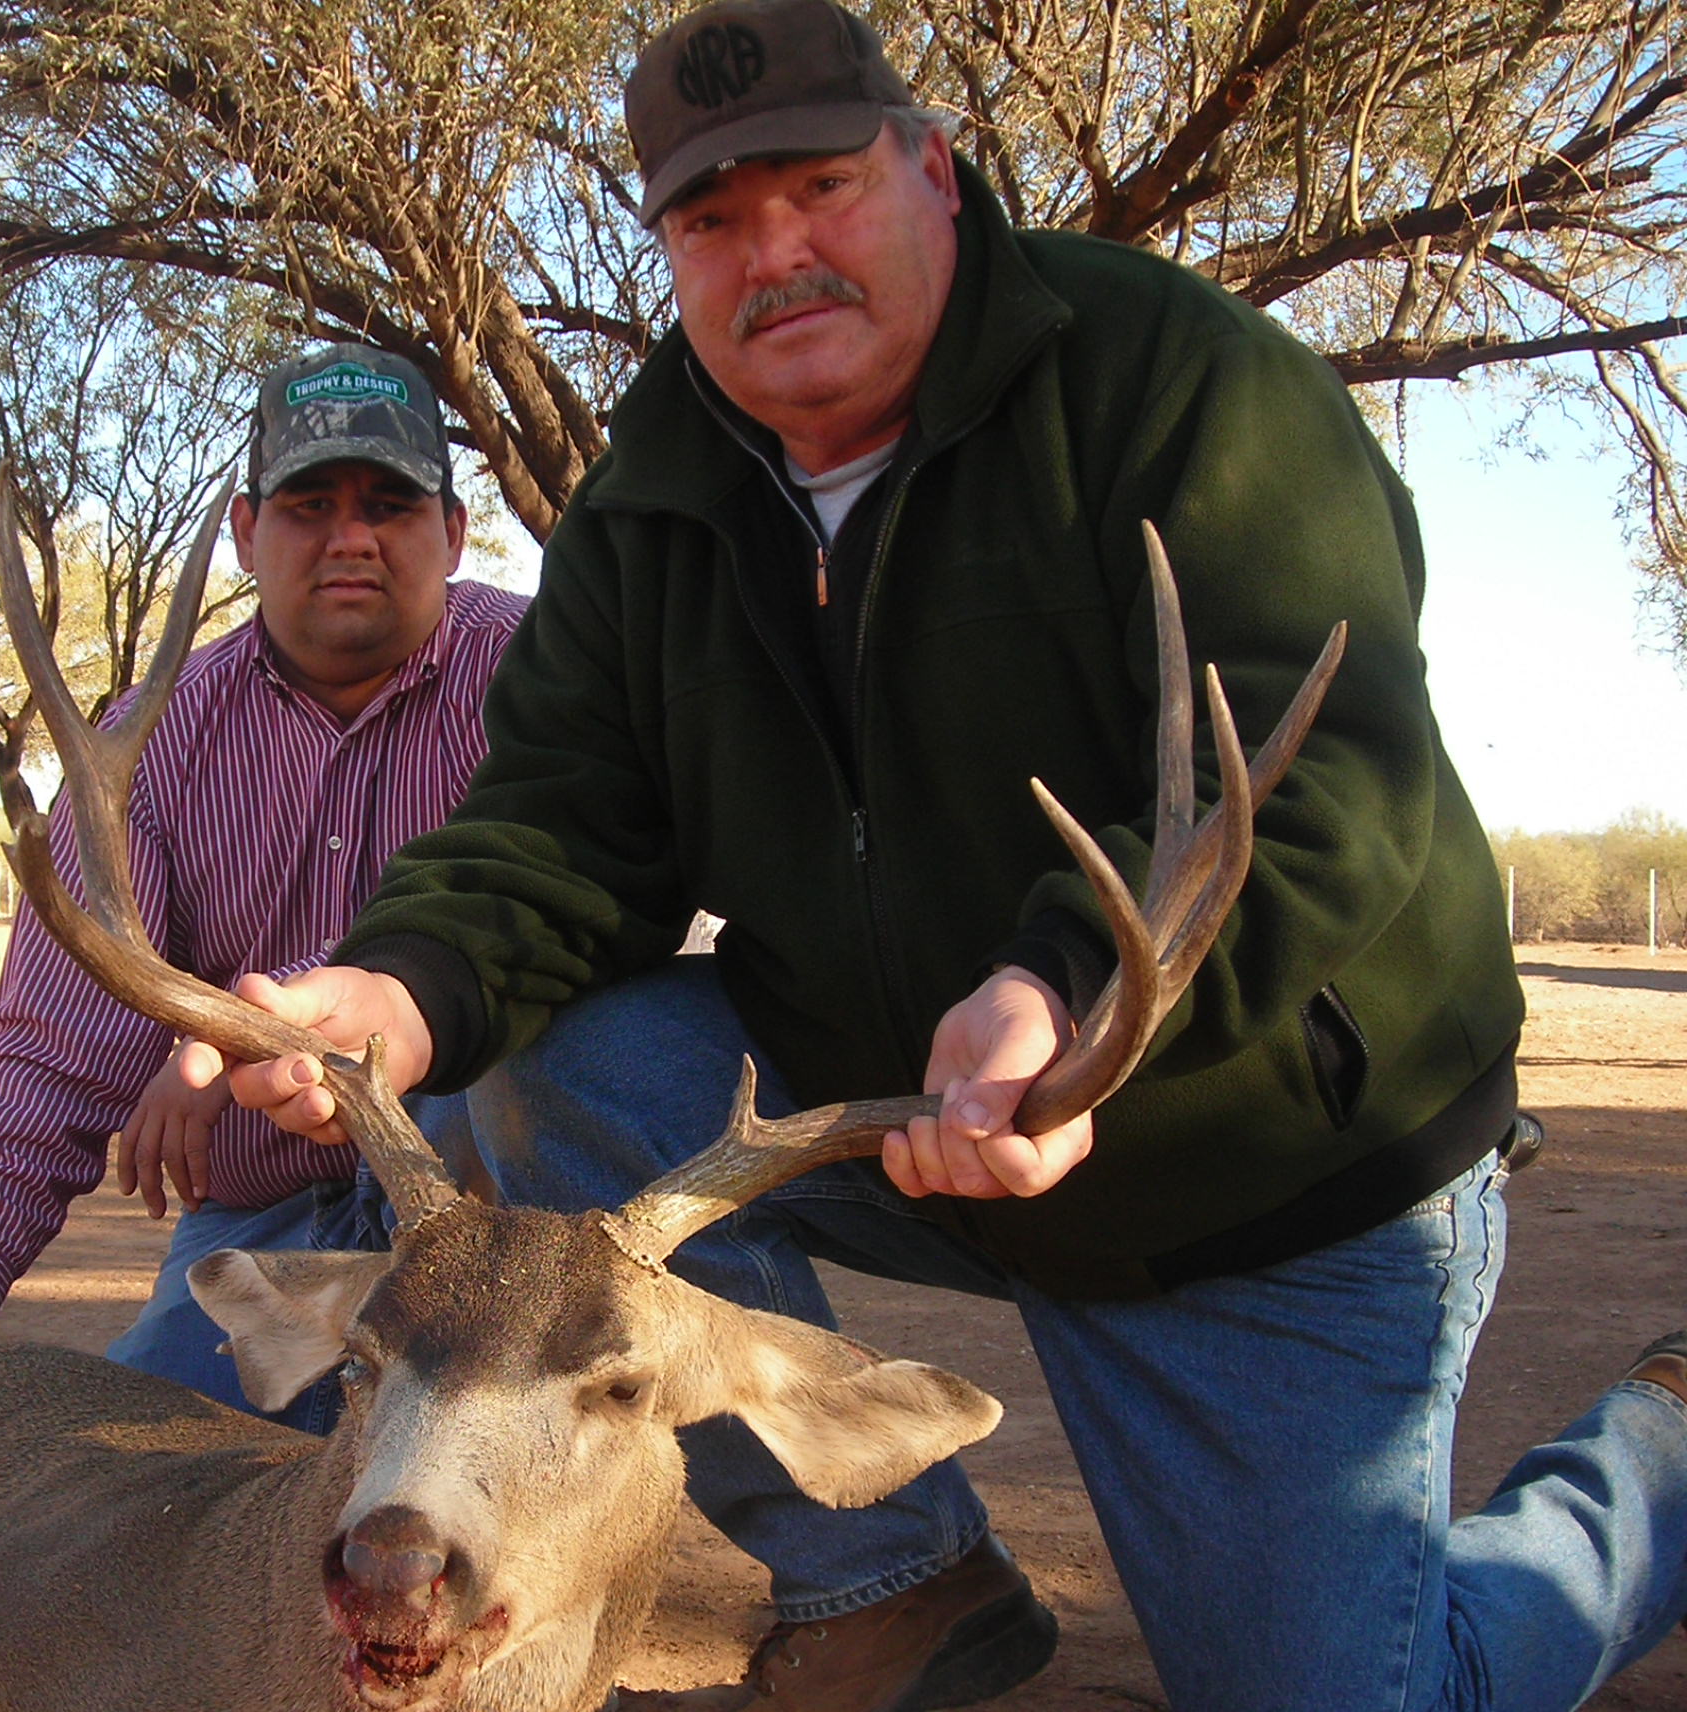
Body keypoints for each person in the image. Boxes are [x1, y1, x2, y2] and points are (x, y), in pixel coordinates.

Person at [199, 4, 1687, 1708]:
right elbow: (559, 819)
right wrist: (395, 986)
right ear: (671, 248)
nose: (775, 252)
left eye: (821, 186)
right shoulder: (653, 495)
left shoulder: (1180, 383)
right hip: (906, 1122)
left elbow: (1316, 777)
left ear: (932, 170)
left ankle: (1651, 1469)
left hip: (1259, 1171)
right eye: (710, 219)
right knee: (538, 1068)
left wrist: (1056, 989)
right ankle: (895, 1572)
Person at [0, 344, 528, 1430]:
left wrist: (235, 1039)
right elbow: (54, 1041)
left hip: (493, 1217)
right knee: (143, 1471)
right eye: (309, 504)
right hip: (272, 1225)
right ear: (245, 531)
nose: (350, 535)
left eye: (390, 504)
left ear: (450, 532)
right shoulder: (150, 739)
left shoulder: (534, 676)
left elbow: (565, 926)